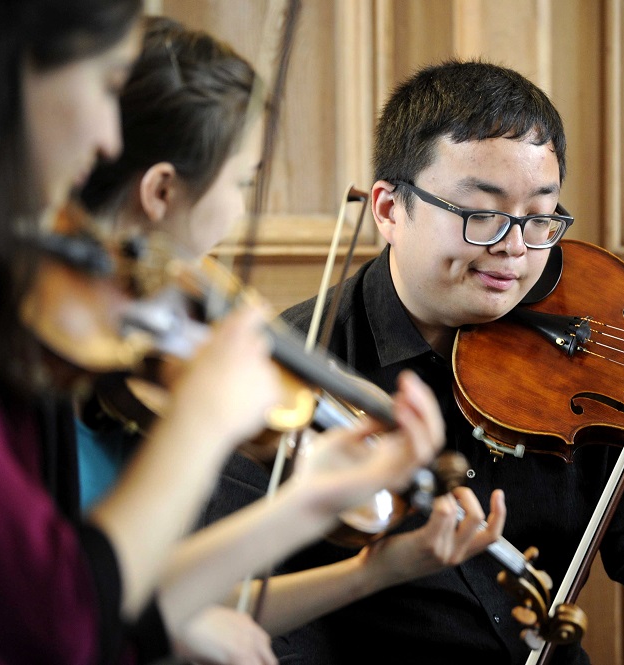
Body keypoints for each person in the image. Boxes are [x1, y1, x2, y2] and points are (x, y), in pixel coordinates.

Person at [203, 59, 624, 664]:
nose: (515, 248)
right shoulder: (285, 372)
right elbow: (245, 608)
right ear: (389, 208)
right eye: (483, 213)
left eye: (541, 216)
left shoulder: (588, 352)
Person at [0, 3, 445, 663]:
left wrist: (315, 502)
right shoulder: (32, 339)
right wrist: (203, 419)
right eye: (105, 83)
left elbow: (117, 605)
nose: (106, 138)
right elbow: (65, 621)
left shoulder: (86, 336)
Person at [75, 16, 506, 658]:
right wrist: (205, 423)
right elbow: (74, 615)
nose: (242, 209)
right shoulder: (56, 379)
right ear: (162, 190)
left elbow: (151, 601)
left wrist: (369, 562)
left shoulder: (131, 359)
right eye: (243, 183)